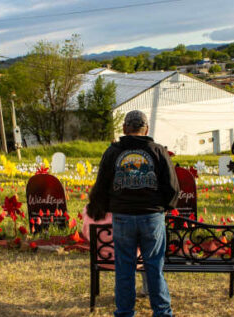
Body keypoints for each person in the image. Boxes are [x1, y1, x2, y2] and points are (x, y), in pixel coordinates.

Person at [88, 110, 180, 317]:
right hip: (152, 217)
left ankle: (124, 312)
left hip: (123, 217)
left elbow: (101, 184)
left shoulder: (113, 152)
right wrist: (161, 208)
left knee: (125, 268)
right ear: (146, 129)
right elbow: (173, 187)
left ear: (124, 129)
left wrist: (108, 206)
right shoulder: (157, 151)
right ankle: (163, 312)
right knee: (154, 267)